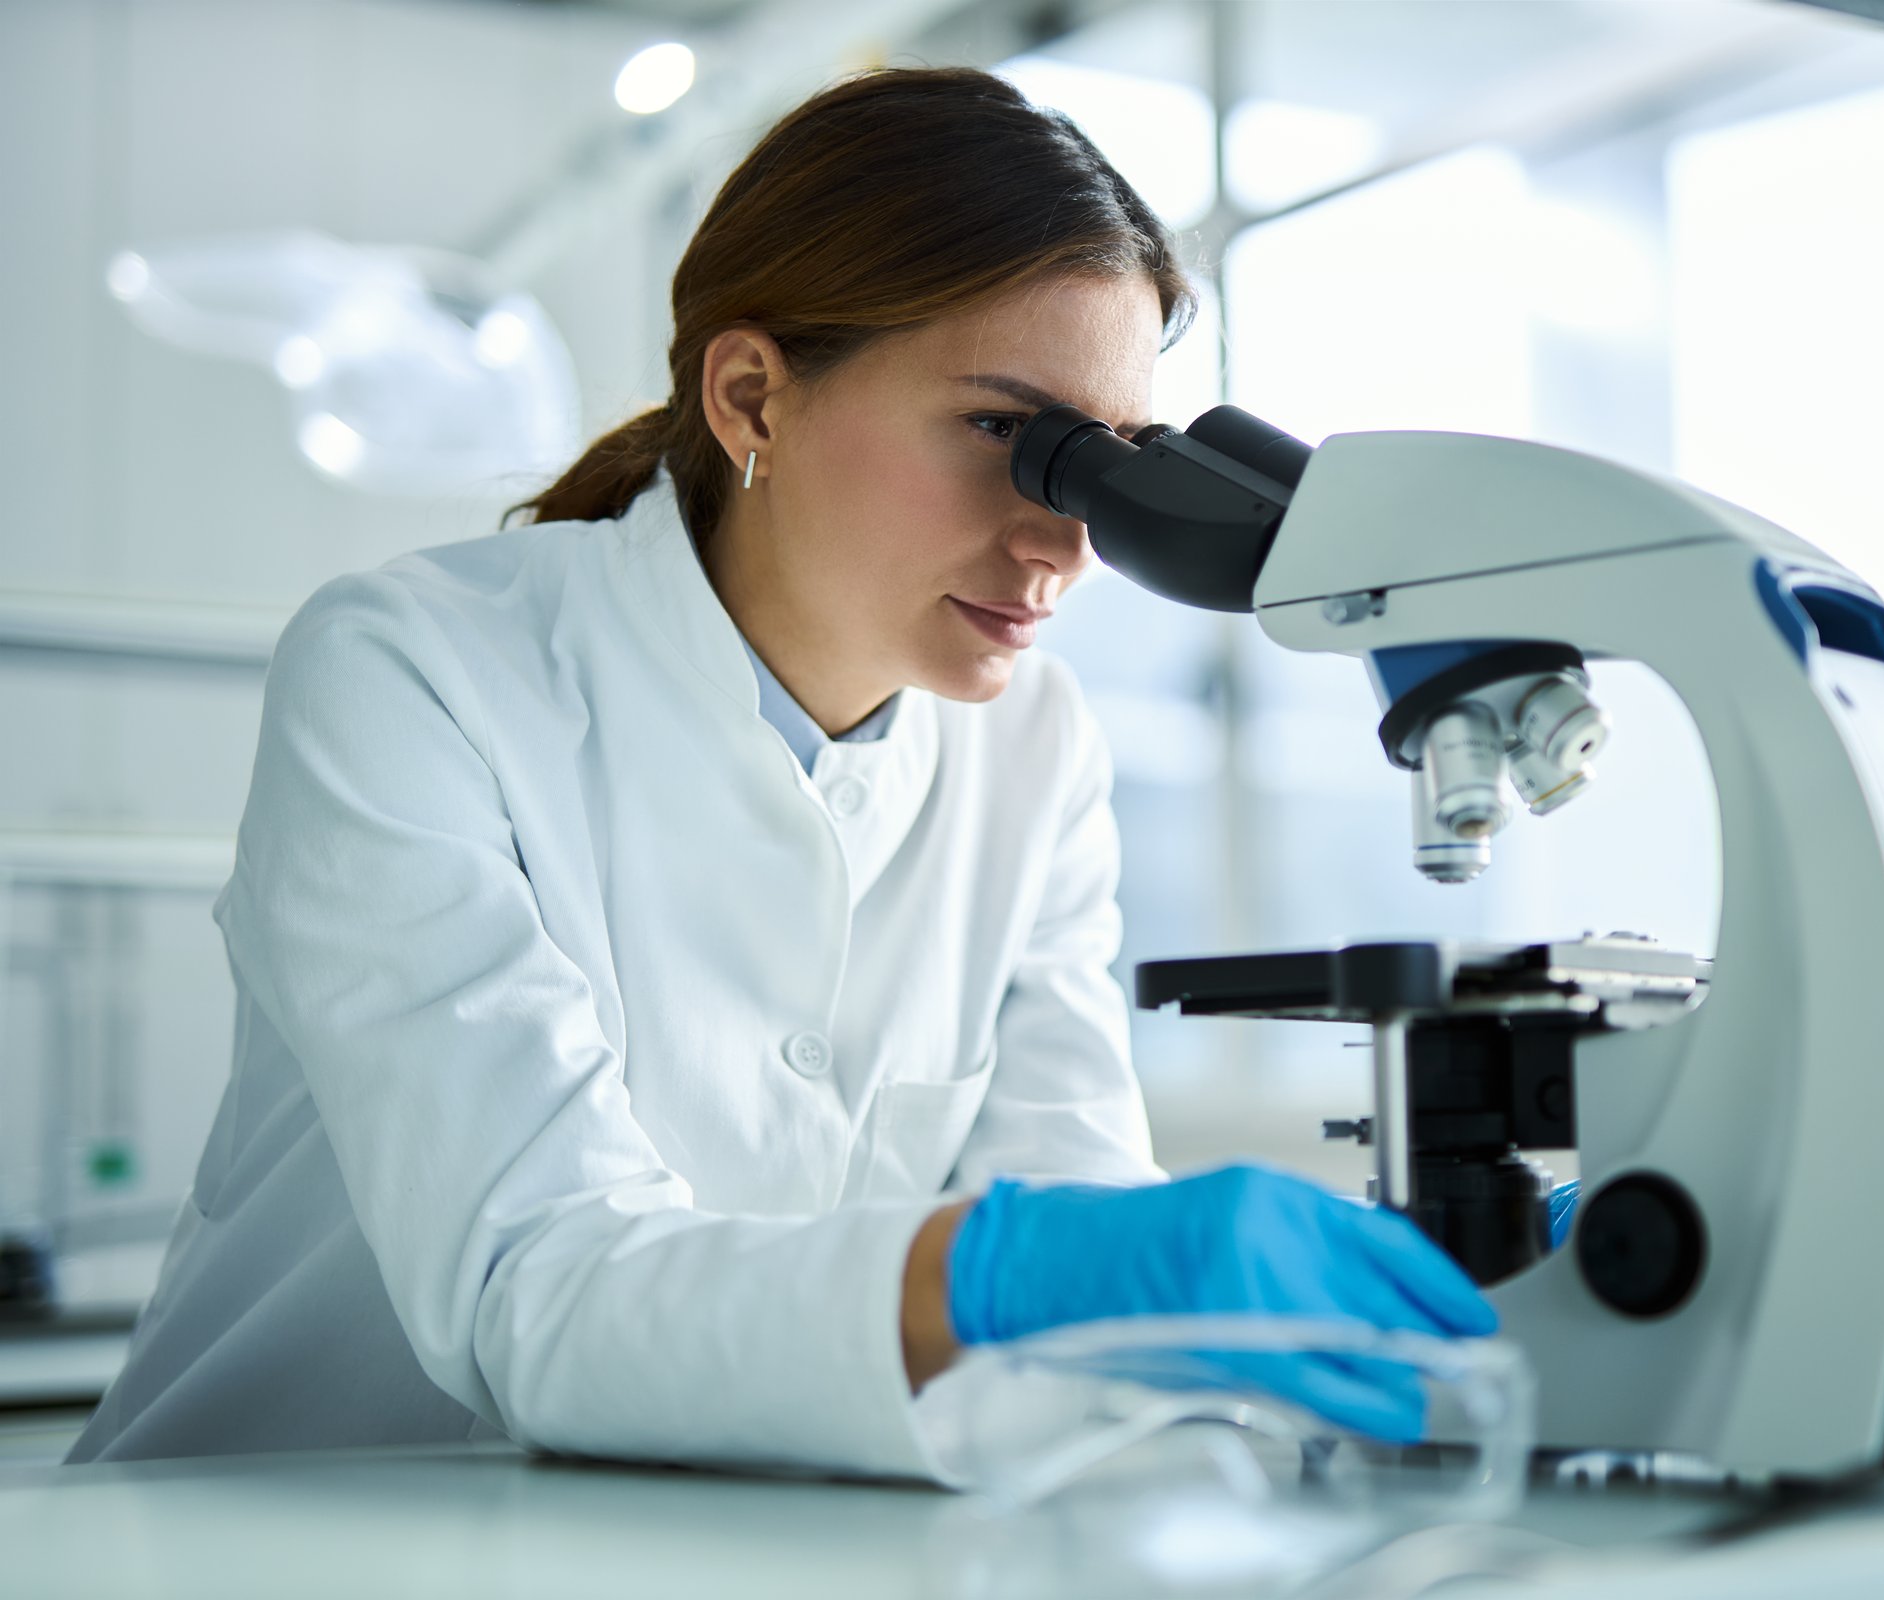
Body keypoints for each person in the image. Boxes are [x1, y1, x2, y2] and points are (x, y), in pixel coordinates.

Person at [68, 66, 1494, 1479]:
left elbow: (1075, 1244)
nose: (1065, 541)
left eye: (1107, 460)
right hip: (264, 1524)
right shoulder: (412, 670)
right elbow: (536, 1288)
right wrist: (1002, 1275)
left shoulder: (1037, 750)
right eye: (1007, 431)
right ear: (753, 396)